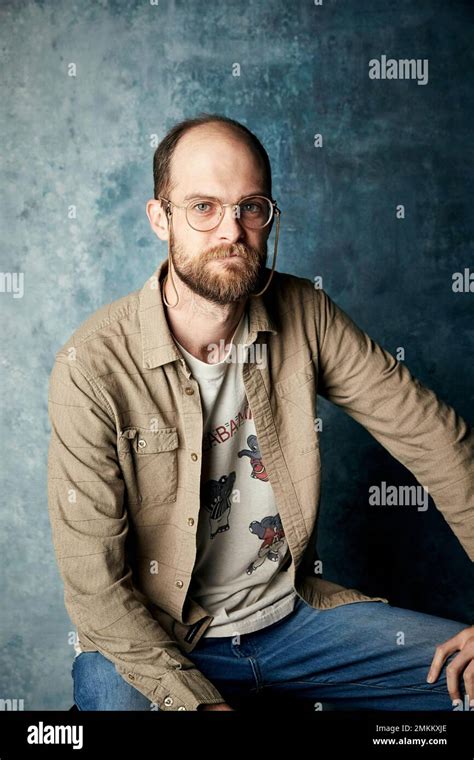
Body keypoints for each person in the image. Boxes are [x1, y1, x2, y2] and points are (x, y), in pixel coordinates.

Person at [48, 114, 474, 713]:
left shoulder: (307, 312)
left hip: (294, 624)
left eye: (250, 207)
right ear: (159, 218)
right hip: (156, 642)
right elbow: (96, 589)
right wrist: (200, 703)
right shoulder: (90, 367)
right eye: (203, 207)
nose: (231, 230)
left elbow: (438, 441)